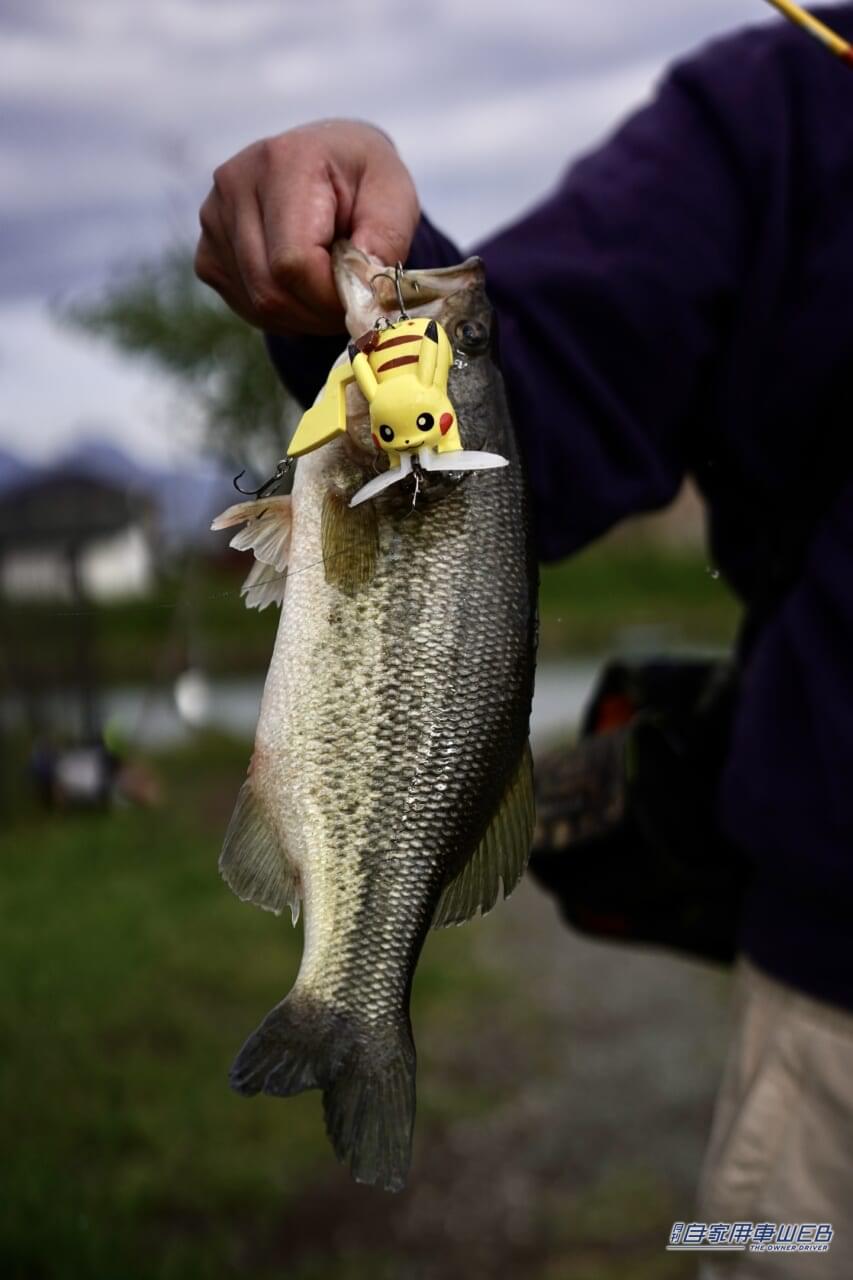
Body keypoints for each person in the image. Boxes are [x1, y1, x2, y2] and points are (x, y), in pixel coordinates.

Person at [195, 11, 853, 1276]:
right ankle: (354, 994)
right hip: (835, 1038)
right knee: (774, 1235)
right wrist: (356, 242)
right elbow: (529, 407)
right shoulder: (793, 102)